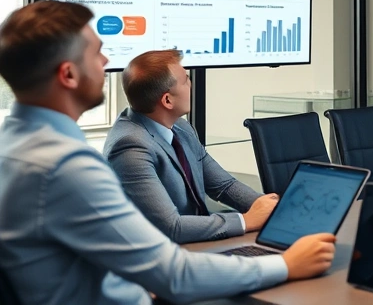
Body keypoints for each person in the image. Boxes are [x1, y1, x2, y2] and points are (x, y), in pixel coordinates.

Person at [0, 1, 335, 305]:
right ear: (69, 74)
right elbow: (174, 274)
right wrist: (286, 264)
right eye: (96, 53)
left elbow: (220, 184)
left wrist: (278, 213)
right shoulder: (66, 166)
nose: (105, 62)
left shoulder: (16, 145)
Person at [104, 49, 278, 244]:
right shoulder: (130, 148)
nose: (191, 84)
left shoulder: (180, 127)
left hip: (196, 242)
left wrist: (271, 209)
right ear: (167, 100)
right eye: (186, 80)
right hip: (160, 256)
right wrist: (246, 221)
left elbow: (224, 186)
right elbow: (171, 228)